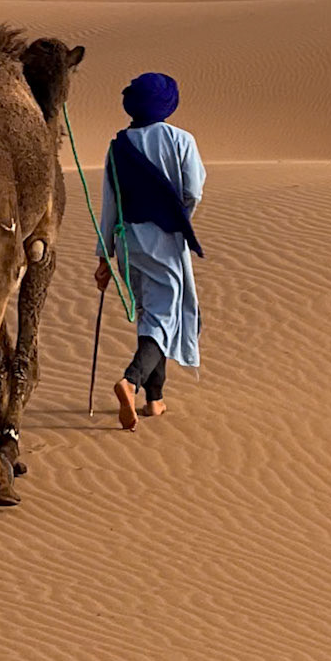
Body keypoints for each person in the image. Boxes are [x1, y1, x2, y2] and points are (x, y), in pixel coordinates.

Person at [95, 71, 205, 430]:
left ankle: (154, 400)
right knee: (164, 316)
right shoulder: (180, 140)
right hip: (164, 241)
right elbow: (194, 190)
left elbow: (109, 205)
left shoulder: (118, 146)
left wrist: (104, 256)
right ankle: (131, 380)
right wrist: (178, 219)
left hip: (128, 243)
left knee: (152, 315)